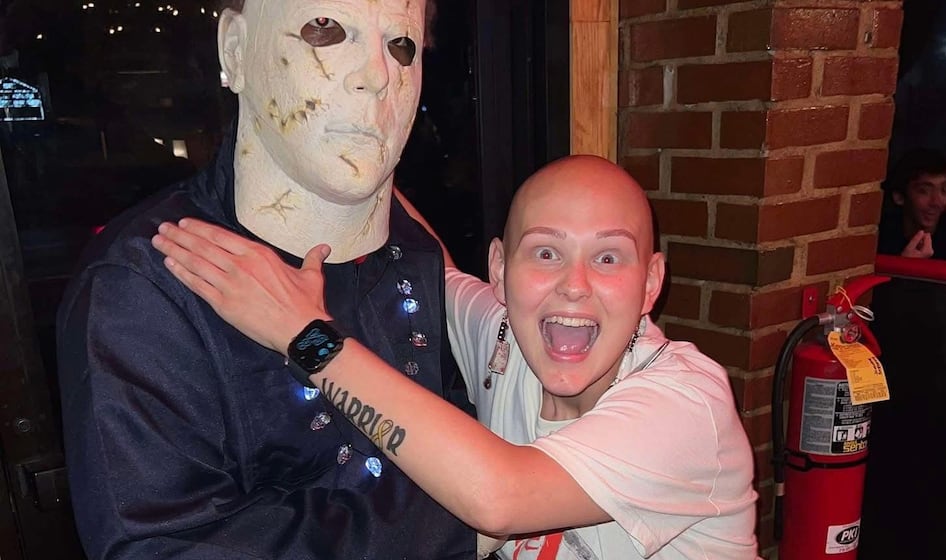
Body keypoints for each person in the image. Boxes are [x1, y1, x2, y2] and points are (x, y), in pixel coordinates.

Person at [152, 155, 761, 559]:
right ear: (500, 268)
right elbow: (438, 268)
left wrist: (303, 335)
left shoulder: (687, 406)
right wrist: (363, 167)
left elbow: (502, 499)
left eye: (608, 258)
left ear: (651, 282)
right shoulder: (504, 337)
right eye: (545, 253)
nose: (573, 285)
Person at [55, 0, 476, 558]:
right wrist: (466, 518)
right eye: (325, 29)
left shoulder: (412, 253)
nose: (377, 76)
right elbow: (161, 547)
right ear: (236, 50)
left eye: (402, 44)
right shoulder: (145, 284)